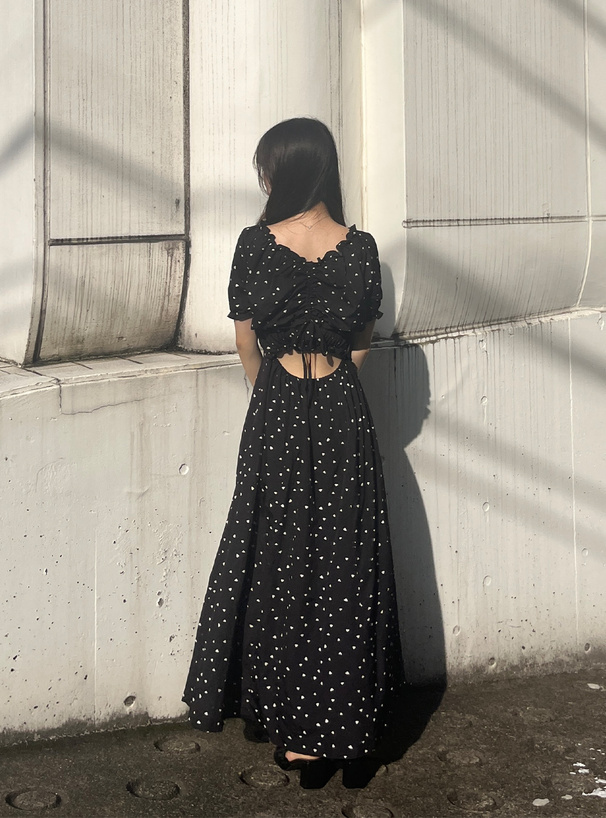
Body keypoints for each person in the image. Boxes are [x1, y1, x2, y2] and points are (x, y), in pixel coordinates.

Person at [183, 117, 403, 789]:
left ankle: (296, 732)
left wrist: (280, 401)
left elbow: (245, 346)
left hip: (277, 407)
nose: (263, 179)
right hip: (343, 410)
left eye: (267, 167)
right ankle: (345, 730)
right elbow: (361, 345)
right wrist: (327, 398)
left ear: (283, 170)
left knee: (278, 561)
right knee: (344, 565)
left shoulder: (255, 244)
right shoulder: (361, 249)